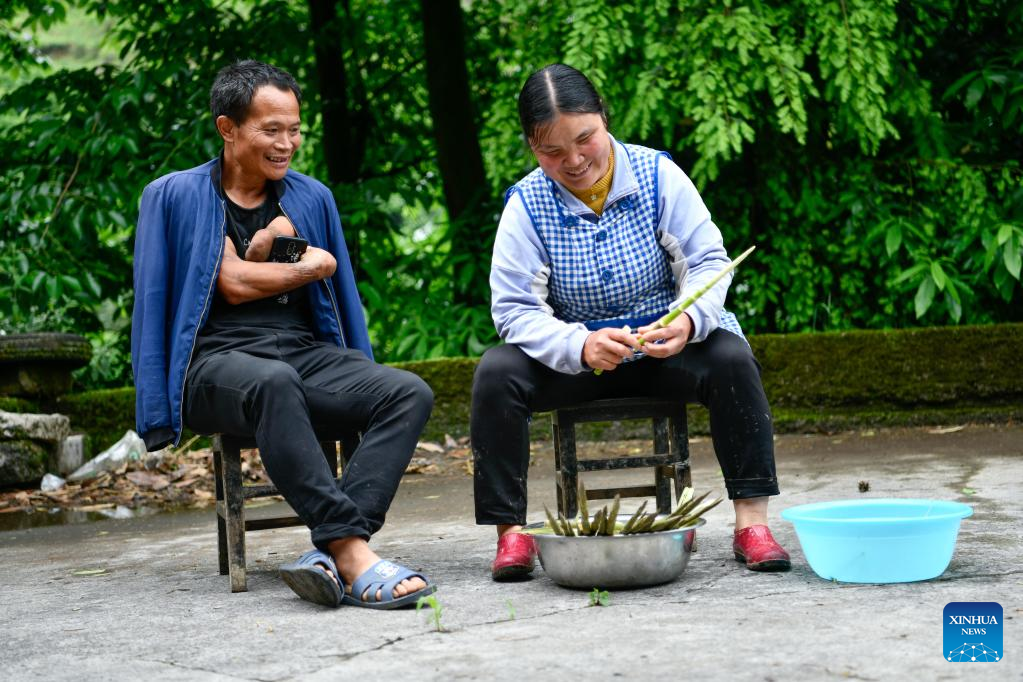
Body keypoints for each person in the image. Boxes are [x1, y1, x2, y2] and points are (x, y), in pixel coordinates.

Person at [131, 60, 436, 608]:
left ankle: (334, 549)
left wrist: (280, 250)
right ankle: (352, 552)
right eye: (271, 130)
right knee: (273, 382)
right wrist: (300, 265)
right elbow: (216, 287)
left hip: (301, 354)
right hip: (213, 366)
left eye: (294, 129)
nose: (286, 143)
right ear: (228, 129)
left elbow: (334, 282)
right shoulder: (174, 196)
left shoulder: (310, 197)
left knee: (407, 390)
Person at [471, 64, 791, 581]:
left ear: (604, 119)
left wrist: (687, 320)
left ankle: (751, 524)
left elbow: (707, 262)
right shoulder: (526, 205)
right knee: (496, 373)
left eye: (585, 140)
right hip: (579, 356)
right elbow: (514, 310)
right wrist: (579, 345)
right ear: (532, 145)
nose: (574, 161)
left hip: (664, 345)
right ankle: (511, 534)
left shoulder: (658, 174)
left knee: (732, 357)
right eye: (552, 151)